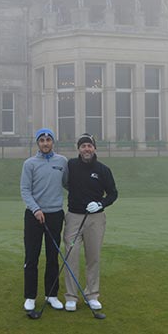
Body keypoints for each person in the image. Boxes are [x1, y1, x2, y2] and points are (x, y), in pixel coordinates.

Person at [63, 133, 118, 312]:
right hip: (73, 218)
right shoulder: (71, 165)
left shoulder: (103, 170)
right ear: (78, 149)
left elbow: (113, 193)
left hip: (95, 219)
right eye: (83, 146)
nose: (86, 149)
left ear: (94, 148)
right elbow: (65, 183)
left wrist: (101, 203)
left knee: (93, 257)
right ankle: (71, 297)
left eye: (89, 146)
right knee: (71, 255)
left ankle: (92, 295)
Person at [20, 128, 68, 312]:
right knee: (31, 257)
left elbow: (67, 183)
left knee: (52, 257)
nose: (45, 143)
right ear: (38, 143)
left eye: (48, 140)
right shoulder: (29, 164)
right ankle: (30, 296)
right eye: (42, 140)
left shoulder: (62, 161)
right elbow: (25, 190)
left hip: (55, 215)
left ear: (53, 142)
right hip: (34, 216)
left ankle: (51, 295)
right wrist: (36, 209)